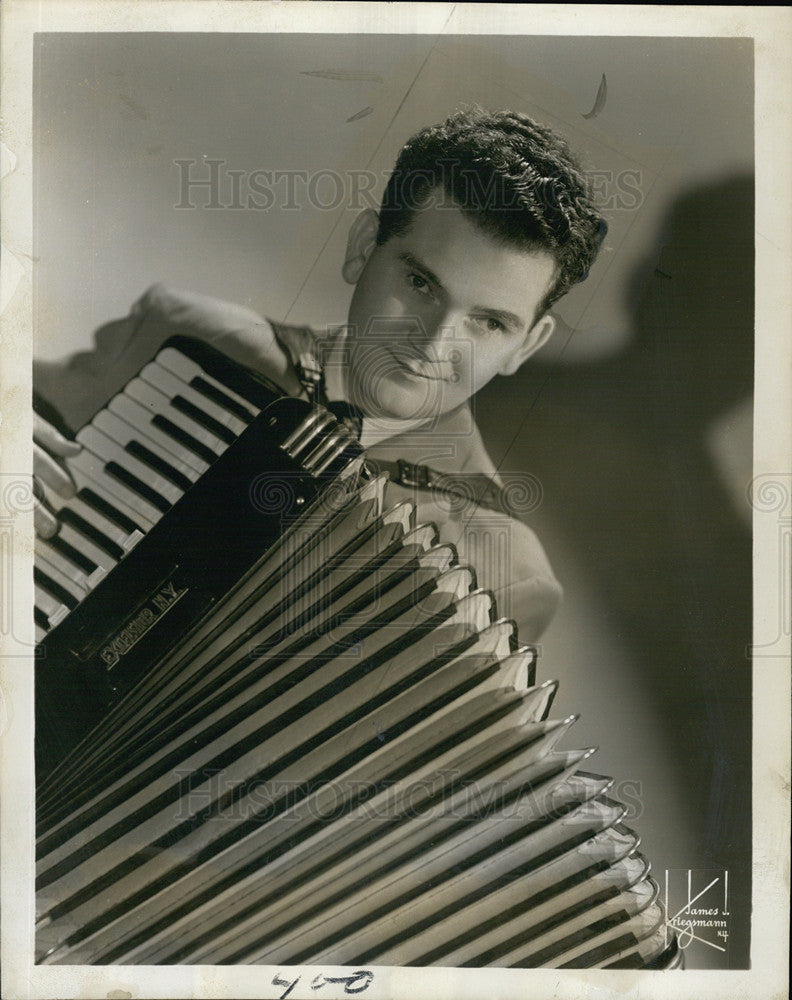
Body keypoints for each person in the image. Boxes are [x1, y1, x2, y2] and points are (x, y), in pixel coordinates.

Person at [33, 107, 606, 642]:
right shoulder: (187, 338)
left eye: (489, 323)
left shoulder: (507, 572)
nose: (434, 343)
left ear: (526, 345)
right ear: (363, 248)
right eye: (420, 284)